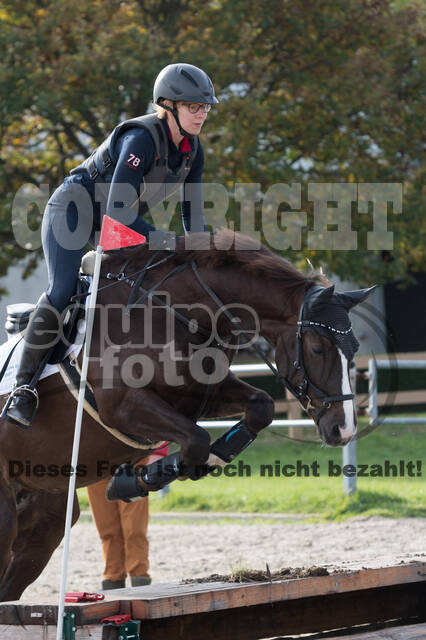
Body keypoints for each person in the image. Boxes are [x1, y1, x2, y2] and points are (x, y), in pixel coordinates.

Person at [2, 63, 218, 428]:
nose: (202, 115)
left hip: (112, 222)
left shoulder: (192, 152)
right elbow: (118, 212)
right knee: (63, 289)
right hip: (72, 211)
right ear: (168, 106)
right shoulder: (141, 139)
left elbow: (192, 216)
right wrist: (169, 243)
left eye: (205, 108)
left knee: (140, 286)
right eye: (193, 107)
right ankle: (24, 388)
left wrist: (203, 252)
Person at [87, 443, 169, 589]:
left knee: (134, 528)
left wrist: (160, 451)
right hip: (95, 464)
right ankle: (113, 579)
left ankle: (140, 578)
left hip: (132, 461)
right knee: (107, 529)